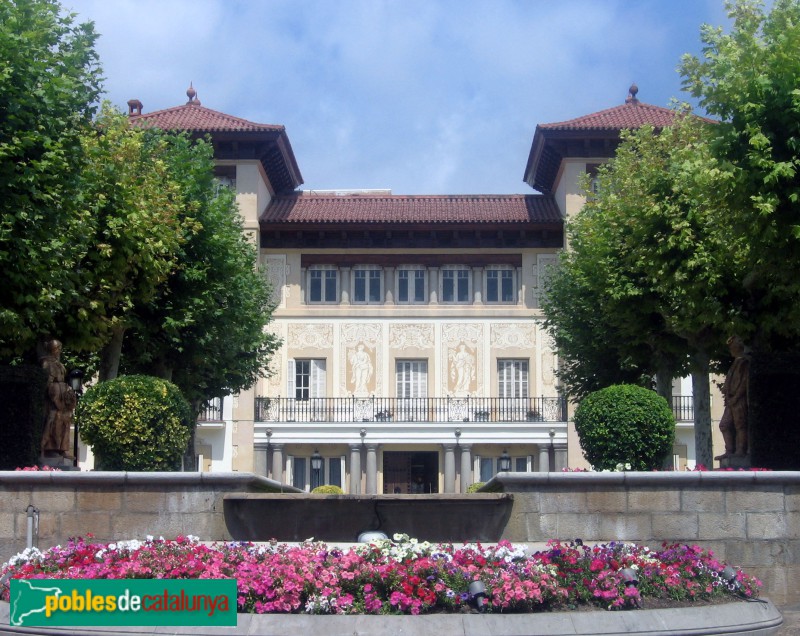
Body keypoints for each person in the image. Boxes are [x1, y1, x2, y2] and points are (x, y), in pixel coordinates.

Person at [40, 339, 77, 458]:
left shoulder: (58, 363)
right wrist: (54, 396)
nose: (59, 350)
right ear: (52, 349)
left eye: (59, 348)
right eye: (57, 348)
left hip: (62, 396)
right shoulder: (47, 363)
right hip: (54, 398)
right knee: (54, 423)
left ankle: (63, 449)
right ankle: (51, 449)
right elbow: (48, 382)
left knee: (65, 422)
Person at [715, 336, 750, 461]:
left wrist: (736, 396)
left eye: (732, 346)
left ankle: (740, 451)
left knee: (740, 425)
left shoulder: (744, 362)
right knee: (724, 425)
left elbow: (744, 382)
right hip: (730, 399)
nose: (730, 349)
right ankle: (729, 451)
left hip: (738, 399)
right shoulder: (736, 362)